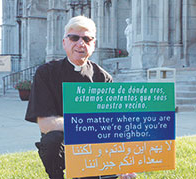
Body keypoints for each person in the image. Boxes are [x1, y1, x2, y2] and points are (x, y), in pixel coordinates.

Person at [25, 16, 137, 179]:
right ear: (65, 42)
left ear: (93, 44)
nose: (80, 43)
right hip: (62, 142)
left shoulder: (103, 77)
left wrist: (123, 163)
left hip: (95, 143)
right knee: (51, 140)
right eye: (74, 37)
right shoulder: (46, 73)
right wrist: (86, 125)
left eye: (87, 38)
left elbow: (112, 125)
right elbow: (45, 124)